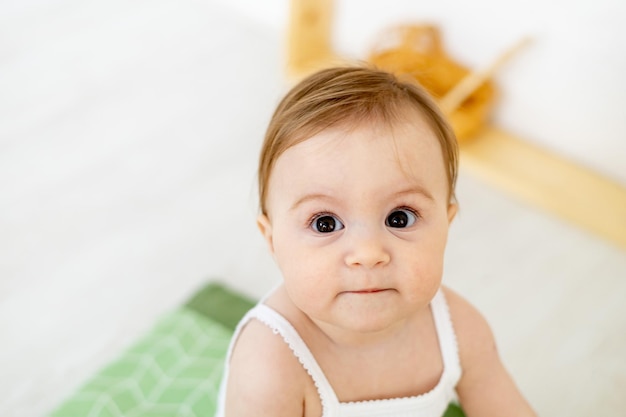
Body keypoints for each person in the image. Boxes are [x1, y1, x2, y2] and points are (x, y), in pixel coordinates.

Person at [215, 65, 536, 417]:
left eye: (400, 218)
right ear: (272, 240)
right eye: (325, 223)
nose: (368, 254)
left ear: (447, 224)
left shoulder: (458, 330)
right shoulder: (270, 362)